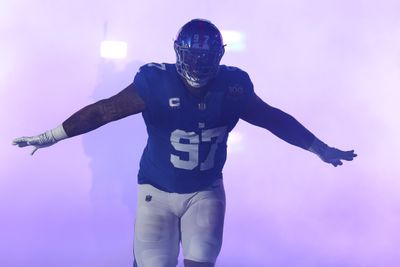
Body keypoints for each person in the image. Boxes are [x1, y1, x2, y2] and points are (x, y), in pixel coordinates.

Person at [12, 19, 357, 267]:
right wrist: (50, 136)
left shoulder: (234, 86)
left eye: (206, 59)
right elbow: (104, 111)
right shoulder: (155, 82)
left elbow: (273, 119)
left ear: (219, 57)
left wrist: (318, 148)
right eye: (194, 58)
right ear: (179, 54)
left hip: (205, 192)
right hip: (157, 192)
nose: (199, 65)